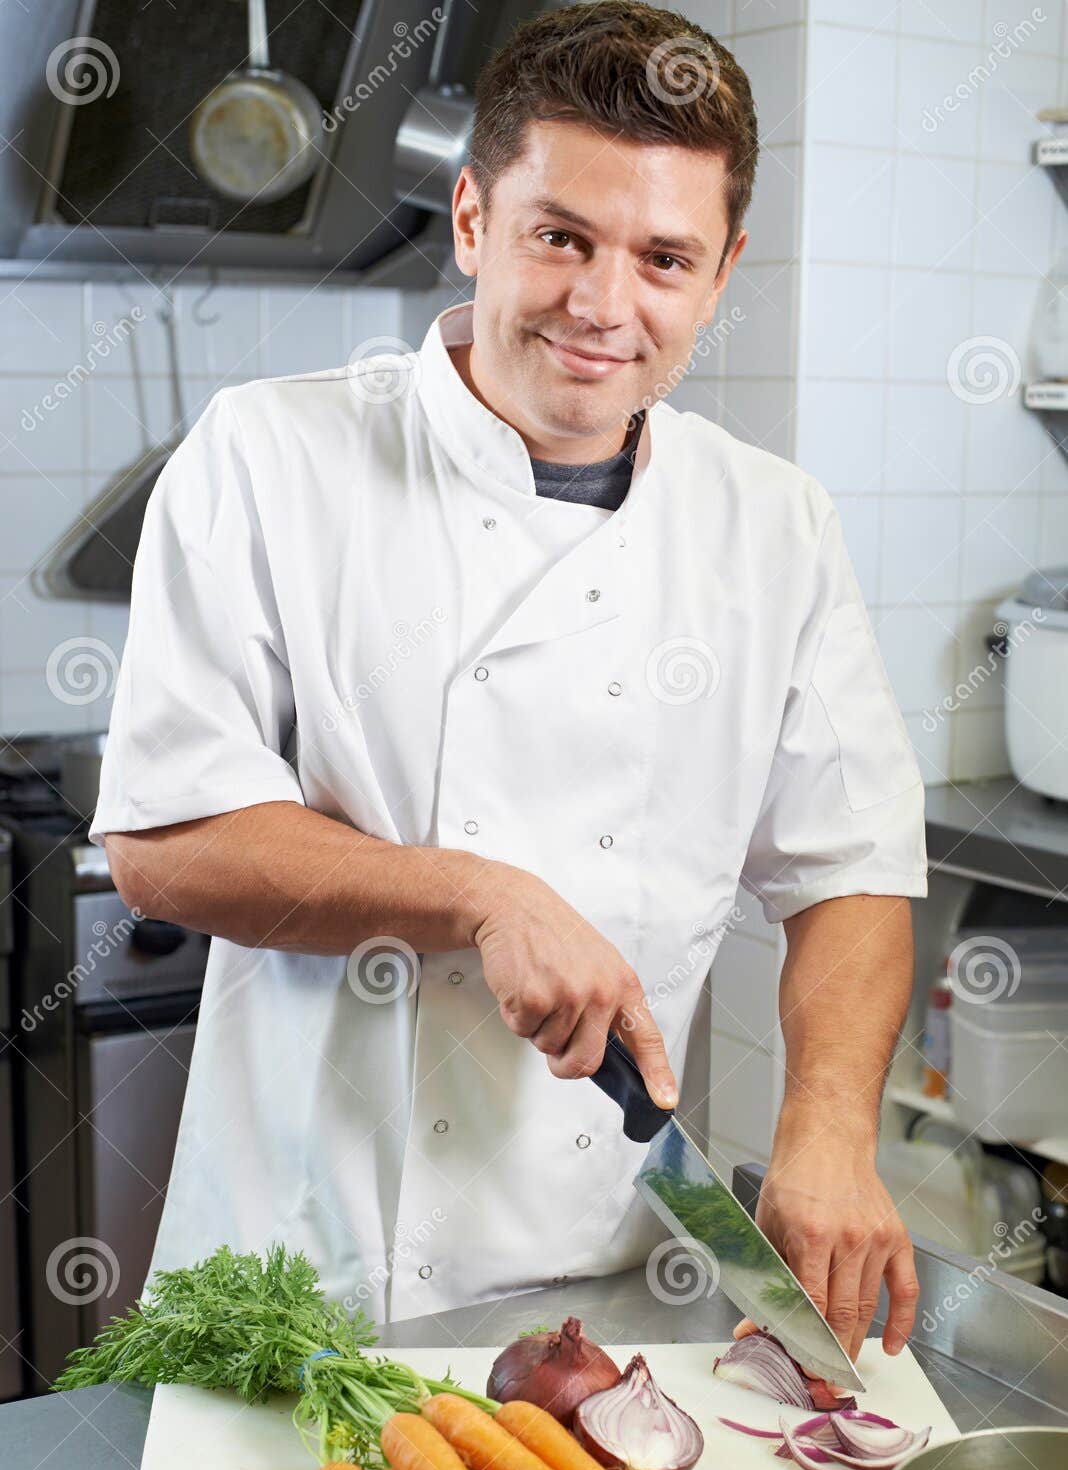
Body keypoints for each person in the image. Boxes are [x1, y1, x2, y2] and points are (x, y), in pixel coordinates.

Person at [93, 3, 925, 1359]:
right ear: (474, 220)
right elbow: (163, 847)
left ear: (723, 274)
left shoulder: (774, 525)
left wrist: (828, 1129)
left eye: (664, 257)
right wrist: (480, 895)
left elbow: (851, 866)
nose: (605, 305)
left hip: (592, 1286)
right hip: (297, 1274)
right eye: (561, 237)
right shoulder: (269, 457)